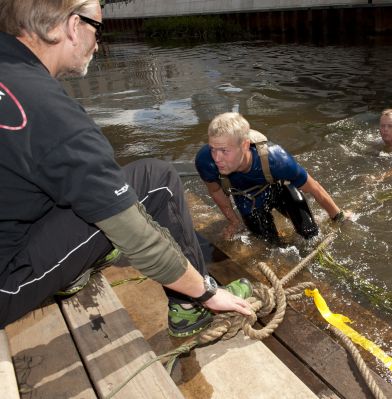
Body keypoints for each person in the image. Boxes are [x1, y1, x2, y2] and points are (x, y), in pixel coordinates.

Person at [0, 0, 252, 338]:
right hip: (7, 285)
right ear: (73, 26)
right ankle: (191, 307)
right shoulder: (54, 116)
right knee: (156, 181)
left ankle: (71, 272)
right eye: (97, 28)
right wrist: (207, 291)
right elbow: (136, 235)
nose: (98, 42)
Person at [195, 112, 346, 242]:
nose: (217, 158)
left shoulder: (277, 160)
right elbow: (216, 191)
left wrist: (338, 217)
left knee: (310, 234)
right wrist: (234, 222)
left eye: (224, 151)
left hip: (279, 189)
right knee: (271, 245)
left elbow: (314, 188)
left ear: (245, 146)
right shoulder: (205, 162)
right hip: (247, 199)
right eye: (213, 149)